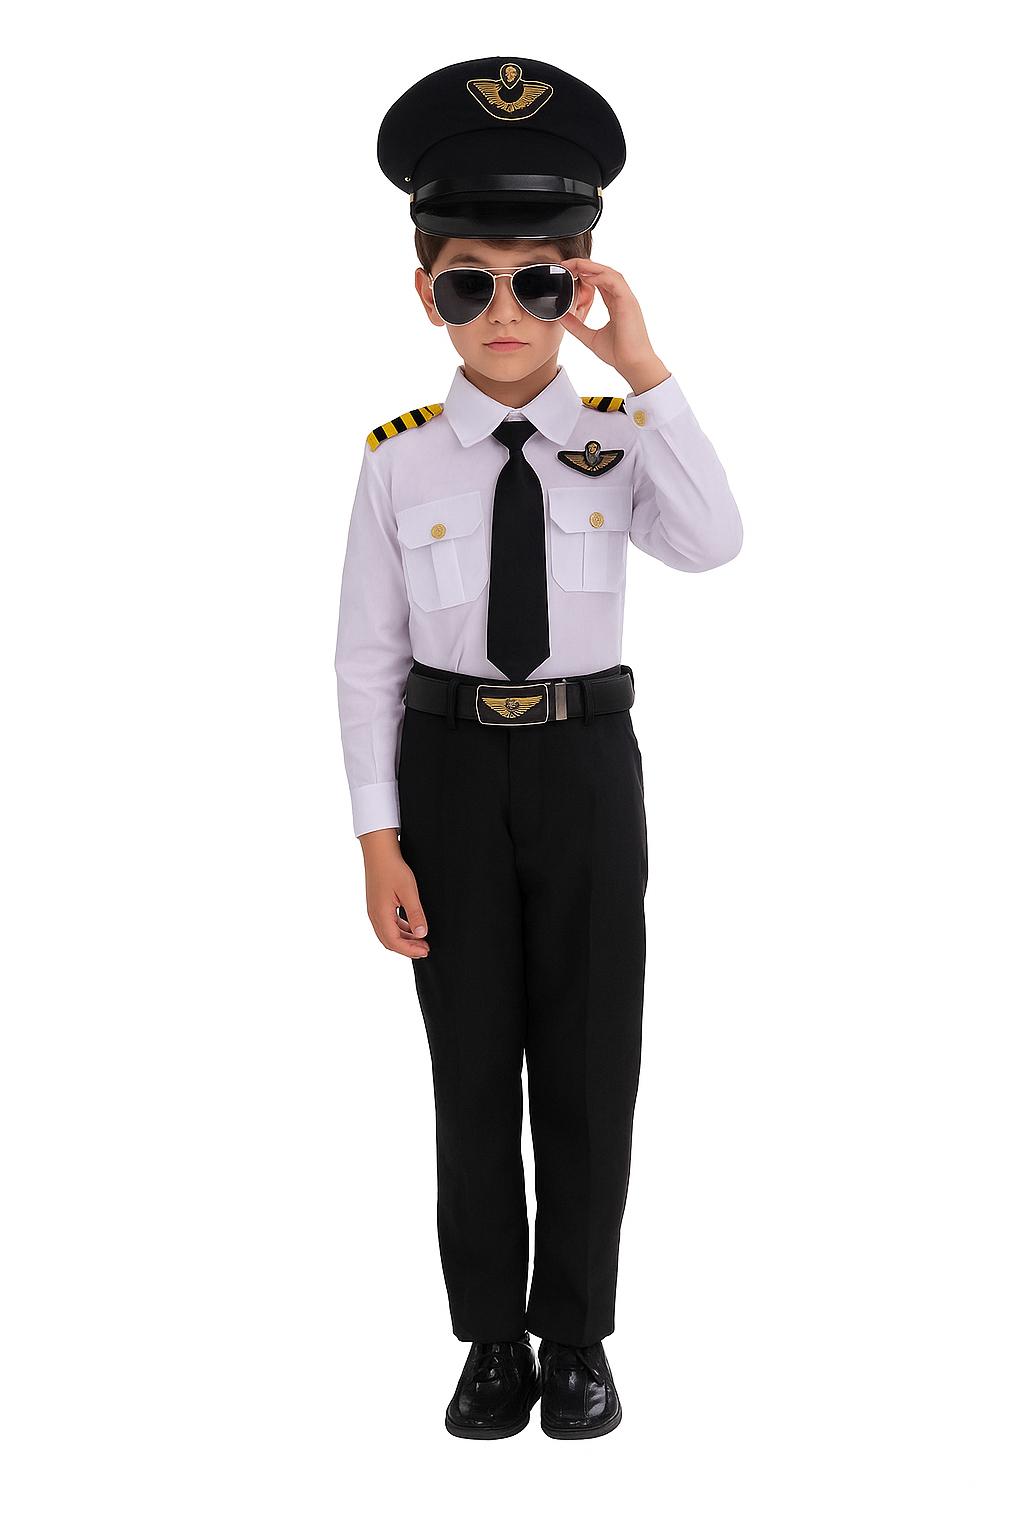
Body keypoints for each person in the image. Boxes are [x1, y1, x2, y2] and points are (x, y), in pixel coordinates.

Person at [335, 57, 743, 1440]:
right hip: (449, 775)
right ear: (427, 293)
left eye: (538, 282)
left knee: (587, 1061)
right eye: (470, 284)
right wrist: (379, 837)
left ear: (582, 287)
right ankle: (490, 1344)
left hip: (583, 771)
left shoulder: (619, 439)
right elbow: (367, 659)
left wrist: (648, 370)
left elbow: (715, 543)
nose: (503, 313)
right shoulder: (397, 459)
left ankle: (577, 1338)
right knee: (469, 1071)